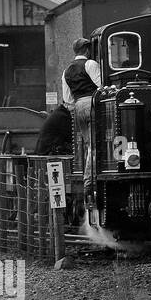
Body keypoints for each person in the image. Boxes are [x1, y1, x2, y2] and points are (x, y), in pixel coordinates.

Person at [61, 38, 102, 189]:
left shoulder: (66, 71)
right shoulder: (90, 64)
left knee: (88, 144)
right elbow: (101, 85)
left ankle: (88, 175)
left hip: (77, 106)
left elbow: (67, 98)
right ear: (87, 50)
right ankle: (89, 181)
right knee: (94, 145)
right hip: (91, 103)